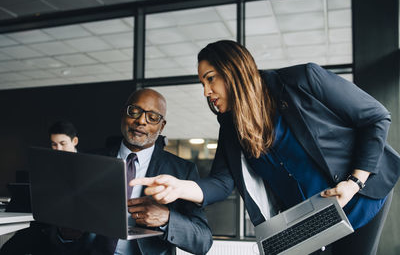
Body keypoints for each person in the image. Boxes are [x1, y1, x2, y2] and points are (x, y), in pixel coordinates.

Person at [131, 40, 400, 255]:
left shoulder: (303, 80)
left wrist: (354, 182)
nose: (206, 92)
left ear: (234, 70)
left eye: (210, 79)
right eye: (203, 83)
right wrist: (180, 187)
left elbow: (376, 118)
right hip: (312, 216)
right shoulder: (231, 127)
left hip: (361, 196)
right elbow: (222, 184)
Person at [89, 88, 212, 255]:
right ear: (123, 114)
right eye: (134, 111)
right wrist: (66, 234)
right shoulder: (91, 160)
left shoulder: (182, 171)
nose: (141, 121)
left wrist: (167, 218)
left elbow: (203, 240)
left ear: (162, 126)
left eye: (152, 117)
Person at [1, 121, 94, 255]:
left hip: (75, 227)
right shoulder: (46, 165)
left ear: (75, 141)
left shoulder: (90, 165)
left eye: (63, 144)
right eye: (54, 144)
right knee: (8, 249)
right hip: (45, 222)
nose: (58, 149)